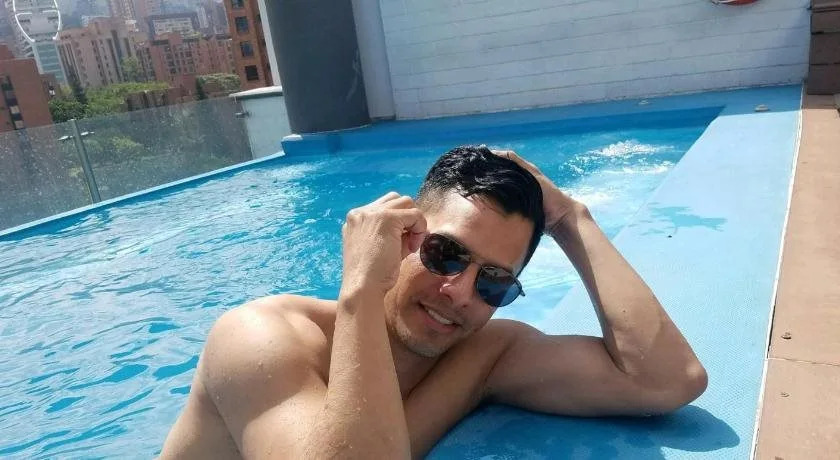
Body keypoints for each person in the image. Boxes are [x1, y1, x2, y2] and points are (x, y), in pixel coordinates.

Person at [160, 146, 707, 459]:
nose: (460, 293)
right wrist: (361, 290)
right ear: (403, 235)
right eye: (445, 254)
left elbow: (667, 380)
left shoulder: (482, 354)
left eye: (494, 283)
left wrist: (570, 219)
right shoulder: (261, 337)